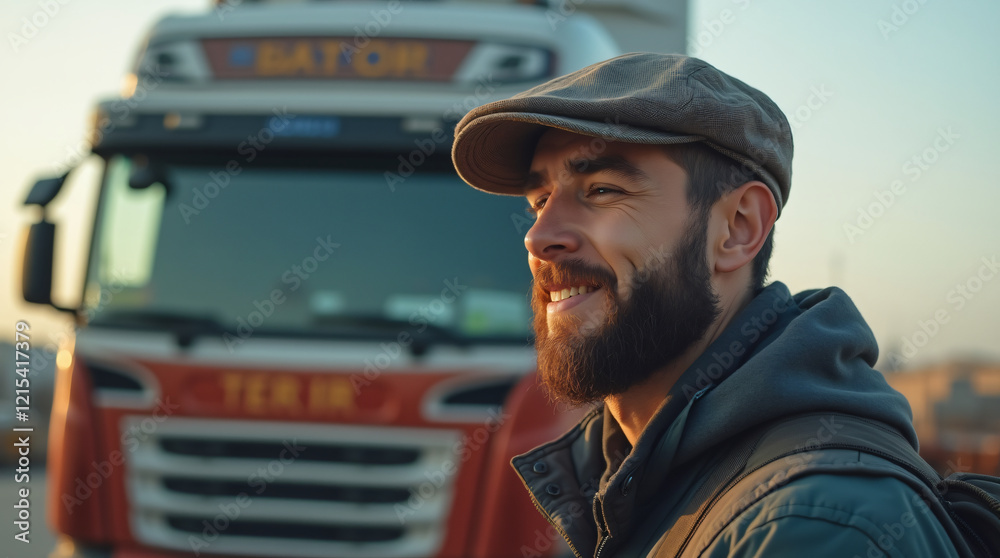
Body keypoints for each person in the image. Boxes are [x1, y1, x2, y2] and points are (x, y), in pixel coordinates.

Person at [450, 53, 960, 557]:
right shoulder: (641, 472)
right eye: (539, 201)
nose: (538, 237)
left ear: (738, 228)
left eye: (602, 189)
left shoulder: (810, 527)